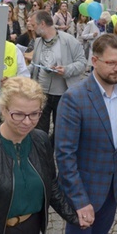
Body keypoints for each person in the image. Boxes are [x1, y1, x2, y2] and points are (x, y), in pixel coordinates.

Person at [0, 77, 80, 233]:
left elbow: (51, 184)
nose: (27, 122)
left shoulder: (41, 140)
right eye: (19, 114)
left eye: (34, 113)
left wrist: (75, 216)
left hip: (32, 226)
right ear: (3, 109)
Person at [55, 34, 117, 234]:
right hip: (84, 193)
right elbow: (64, 155)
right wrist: (79, 200)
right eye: (112, 63)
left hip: (112, 190)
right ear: (94, 61)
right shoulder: (74, 98)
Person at [29, 10, 86, 145]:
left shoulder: (68, 40)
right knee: (39, 129)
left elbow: (82, 63)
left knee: (61, 129)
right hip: (42, 92)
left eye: (33, 25)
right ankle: (42, 154)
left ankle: (53, 148)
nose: (31, 27)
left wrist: (66, 69)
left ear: (42, 24)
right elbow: (34, 65)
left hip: (62, 93)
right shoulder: (38, 42)